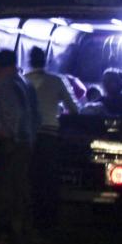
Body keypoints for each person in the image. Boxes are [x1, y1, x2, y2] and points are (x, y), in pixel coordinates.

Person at [0, 49, 40, 244]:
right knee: (21, 186)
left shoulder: (5, 84)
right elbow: (35, 115)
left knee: (7, 187)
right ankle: (24, 229)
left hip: (12, 143)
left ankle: (8, 233)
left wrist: (8, 136)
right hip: (26, 142)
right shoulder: (24, 82)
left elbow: (8, 114)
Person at [24, 47, 78, 230]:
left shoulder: (24, 81)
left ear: (30, 60)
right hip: (50, 135)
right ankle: (48, 220)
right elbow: (73, 109)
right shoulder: (56, 81)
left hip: (29, 136)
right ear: (45, 60)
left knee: (30, 176)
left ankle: (29, 217)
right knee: (48, 178)